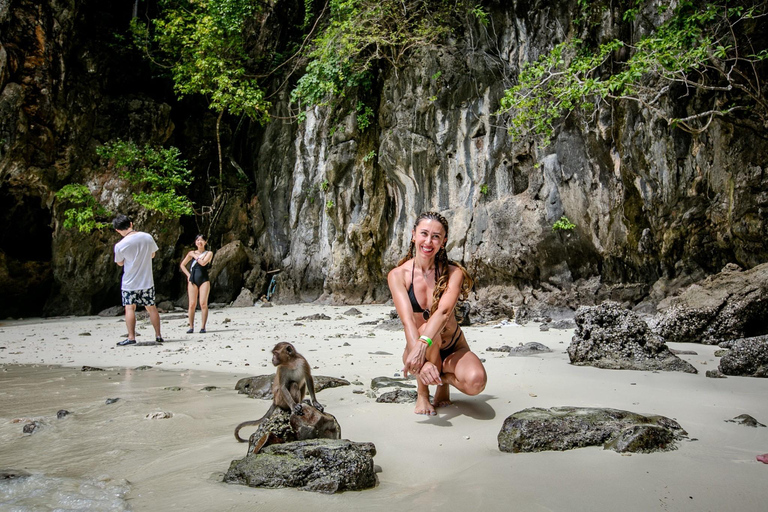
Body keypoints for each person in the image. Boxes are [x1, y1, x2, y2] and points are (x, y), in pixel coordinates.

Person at [388, 211, 487, 415]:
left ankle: (443, 380)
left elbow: (443, 312)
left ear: (444, 241)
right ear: (413, 234)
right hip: (415, 344)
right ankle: (423, 394)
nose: (428, 241)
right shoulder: (398, 275)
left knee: (476, 382)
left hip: (451, 346)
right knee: (423, 329)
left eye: (436, 236)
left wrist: (424, 344)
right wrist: (419, 353)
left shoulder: (453, 273)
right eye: (424, 234)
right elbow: (407, 321)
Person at [112, 214, 163, 346]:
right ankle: (158, 335)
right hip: (147, 280)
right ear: (131, 223)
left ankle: (131, 337)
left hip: (130, 282)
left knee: (129, 308)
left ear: (117, 230)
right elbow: (153, 254)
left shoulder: (120, 245)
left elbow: (120, 263)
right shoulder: (147, 237)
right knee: (151, 308)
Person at [179, 234, 213, 333]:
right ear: (195, 242)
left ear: (205, 242)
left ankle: (203, 327)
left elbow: (203, 263)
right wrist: (188, 275)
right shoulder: (191, 253)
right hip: (193, 279)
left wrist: (195, 256)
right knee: (192, 304)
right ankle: (191, 326)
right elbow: (182, 265)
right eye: (198, 240)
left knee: (203, 303)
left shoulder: (209, 253)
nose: (199, 242)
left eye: (202, 240)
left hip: (204, 279)